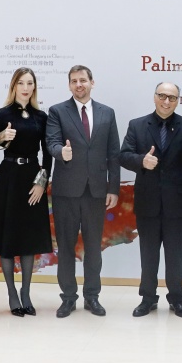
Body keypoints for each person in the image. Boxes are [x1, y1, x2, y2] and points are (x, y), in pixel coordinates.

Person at [119, 82, 182, 319]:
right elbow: (123, 156)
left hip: (178, 204)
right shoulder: (137, 125)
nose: (167, 102)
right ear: (155, 97)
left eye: (172, 98)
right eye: (162, 96)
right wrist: (141, 161)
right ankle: (147, 298)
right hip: (147, 202)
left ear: (178, 101)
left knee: (175, 254)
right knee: (148, 254)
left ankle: (177, 299)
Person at [46, 65, 120, 318]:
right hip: (66, 191)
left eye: (83, 80)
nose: (79, 85)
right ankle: (68, 298)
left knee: (93, 248)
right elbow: (52, 142)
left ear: (92, 82)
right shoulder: (57, 111)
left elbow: (113, 153)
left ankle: (92, 296)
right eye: (74, 81)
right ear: (69, 85)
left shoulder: (107, 113)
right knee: (66, 247)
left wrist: (113, 188)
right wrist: (61, 152)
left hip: (96, 192)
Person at [0, 68, 52, 317]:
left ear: (34, 87)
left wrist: (42, 182)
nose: (25, 87)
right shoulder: (4, 114)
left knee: (29, 239)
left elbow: (48, 153)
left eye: (30, 83)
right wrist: (1, 138)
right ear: (13, 86)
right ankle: (12, 293)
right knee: (8, 237)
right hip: (8, 178)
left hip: (32, 178)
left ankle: (26, 292)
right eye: (21, 83)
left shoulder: (41, 116)